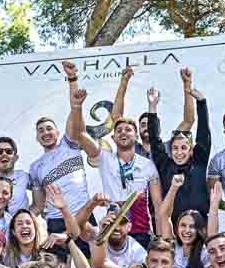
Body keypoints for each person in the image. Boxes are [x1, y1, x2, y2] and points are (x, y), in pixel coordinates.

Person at [72, 75, 162, 246]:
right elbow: (80, 135)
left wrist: (161, 237)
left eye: (128, 130)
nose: (123, 132)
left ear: (136, 136)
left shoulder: (147, 164)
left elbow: (158, 206)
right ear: (113, 138)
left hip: (141, 233)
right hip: (114, 231)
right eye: (119, 130)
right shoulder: (104, 157)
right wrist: (77, 107)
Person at [29, 61, 93, 251]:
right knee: (58, 267)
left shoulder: (70, 143)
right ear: (37, 138)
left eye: (49, 128)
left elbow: (75, 110)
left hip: (82, 215)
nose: (45, 132)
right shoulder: (35, 167)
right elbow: (38, 205)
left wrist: (72, 79)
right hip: (56, 222)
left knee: (90, 264)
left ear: (58, 132)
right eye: (41, 130)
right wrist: (19, 219)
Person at [146, 69, 210, 223]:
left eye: (183, 148)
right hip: (174, 229)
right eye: (175, 148)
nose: (179, 152)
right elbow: (154, 139)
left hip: (200, 227)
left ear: (191, 150)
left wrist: (202, 102)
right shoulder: (165, 166)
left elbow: (203, 133)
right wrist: (152, 107)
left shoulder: (199, 162)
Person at [111, 65, 196, 160]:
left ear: (158, 129)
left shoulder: (169, 148)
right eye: (143, 125)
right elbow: (116, 117)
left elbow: (189, 121)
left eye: (150, 124)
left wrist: (187, 85)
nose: (147, 127)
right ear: (138, 131)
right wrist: (124, 82)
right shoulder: (131, 148)